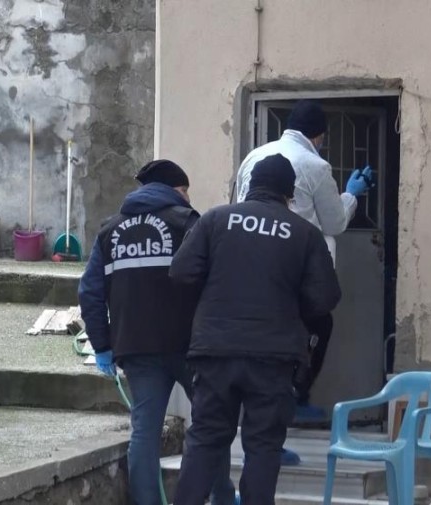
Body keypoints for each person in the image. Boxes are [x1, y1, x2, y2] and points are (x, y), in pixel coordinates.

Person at [171, 154, 341, 505]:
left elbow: (181, 272)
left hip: (215, 350)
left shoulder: (215, 220)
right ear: (289, 195)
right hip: (274, 356)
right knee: (263, 445)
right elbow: (324, 298)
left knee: (205, 439)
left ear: (249, 186)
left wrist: (212, 302)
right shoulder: (305, 234)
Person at [78, 160, 235, 505]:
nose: (188, 197)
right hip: (191, 346)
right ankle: (222, 497)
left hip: (136, 347)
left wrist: (102, 345)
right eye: (186, 191)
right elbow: (216, 283)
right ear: (175, 190)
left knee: (145, 433)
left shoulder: (110, 231)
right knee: (212, 424)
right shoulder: (188, 223)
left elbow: (89, 292)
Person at [235, 99, 373, 427]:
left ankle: (269, 409)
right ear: (319, 136)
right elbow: (334, 223)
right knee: (315, 328)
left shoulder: (254, 156)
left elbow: (240, 207)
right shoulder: (315, 166)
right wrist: (352, 194)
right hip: (295, 270)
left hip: (249, 268)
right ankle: (295, 398)